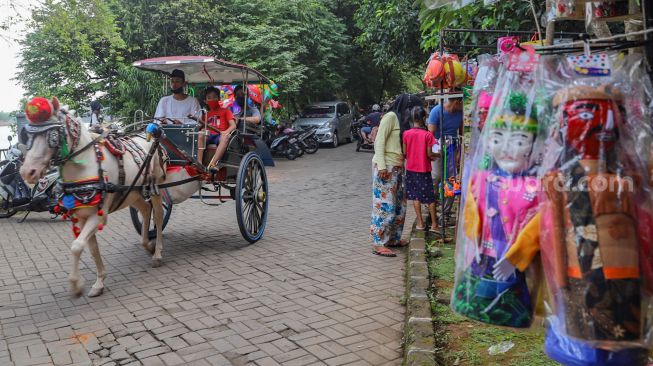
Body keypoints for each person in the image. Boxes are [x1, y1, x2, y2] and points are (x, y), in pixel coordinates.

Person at [370, 93, 423, 257]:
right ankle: (378, 243)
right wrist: (382, 166)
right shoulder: (391, 117)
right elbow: (379, 141)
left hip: (399, 167)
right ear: (407, 107)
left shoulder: (404, 122)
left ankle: (393, 238)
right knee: (385, 205)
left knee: (400, 206)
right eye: (413, 108)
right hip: (386, 166)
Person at [427, 98, 463, 225]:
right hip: (437, 144)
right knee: (435, 177)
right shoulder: (437, 111)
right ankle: (431, 206)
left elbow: (462, 132)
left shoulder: (460, 113)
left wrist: (459, 152)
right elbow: (430, 133)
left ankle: (445, 213)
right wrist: (430, 152)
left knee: (451, 180)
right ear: (456, 102)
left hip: (453, 146)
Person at [403, 106, 438, 233]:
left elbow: (405, 152)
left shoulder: (406, 134)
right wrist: (437, 156)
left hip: (411, 170)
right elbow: (430, 154)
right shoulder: (428, 135)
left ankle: (420, 223)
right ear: (424, 118)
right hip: (424, 170)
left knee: (415, 197)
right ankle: (434, 225)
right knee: (430, 198)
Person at [193, 87, 237, 169]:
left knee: (225, 137)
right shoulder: (205, 114)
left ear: (219, 98)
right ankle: (199, 163)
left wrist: (226, 131)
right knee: (200, 134)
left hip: (220, 135)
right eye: (209, 98)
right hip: (208, 135)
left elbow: (233, 125)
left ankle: (213, 164)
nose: (212, 99)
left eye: (214, 97)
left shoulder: (226, 111)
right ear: (205, 101)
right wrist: (202, 129)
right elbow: (201, 127)